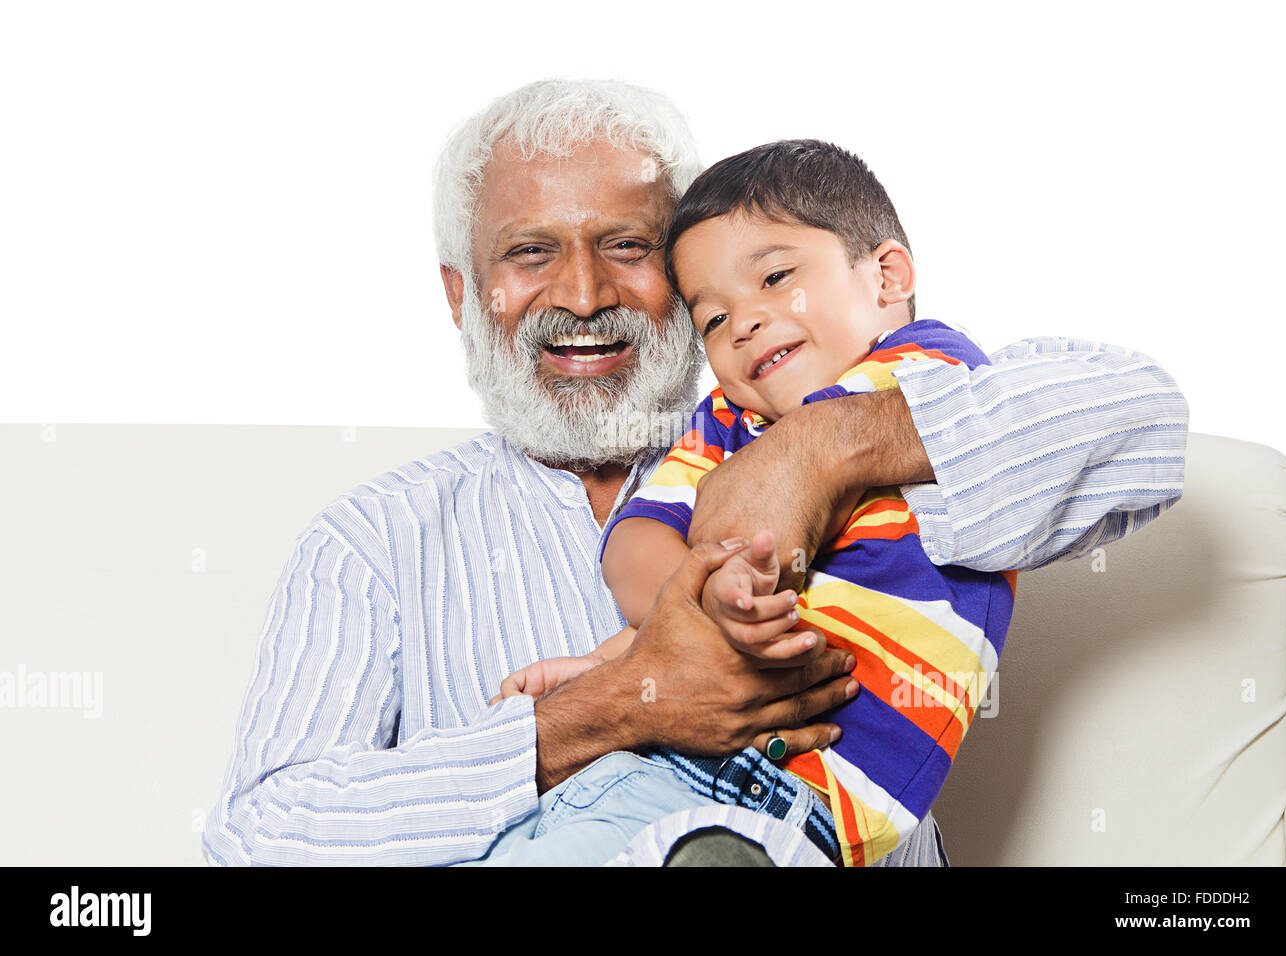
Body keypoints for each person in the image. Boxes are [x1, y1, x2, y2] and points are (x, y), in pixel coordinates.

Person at [201, 79, 1188, 867]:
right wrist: (611, 702)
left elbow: (1144, 424)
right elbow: (258, 837)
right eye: (530, 252)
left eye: (626, 247)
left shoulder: (855, 410)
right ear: (463, 293)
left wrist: (828, 446)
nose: (583, 294)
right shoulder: (372, 543)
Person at [491, 139, 1014, 867]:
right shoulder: (726, 422)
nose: (743, 323)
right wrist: (622, 658)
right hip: (646, 770)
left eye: (775, 277)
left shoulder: (935, 379)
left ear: (887, 275)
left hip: (796, 804)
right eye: (711, 319)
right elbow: (634, 545)